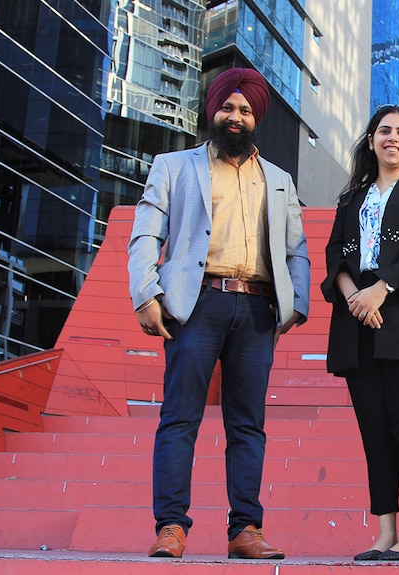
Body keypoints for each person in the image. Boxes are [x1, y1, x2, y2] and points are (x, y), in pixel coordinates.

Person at [127, 67, 310, 560]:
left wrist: (298, 304)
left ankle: (245, 530)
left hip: (256, 308)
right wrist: (145, 293)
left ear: (257, 118)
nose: (235, 116)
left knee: (247, 424)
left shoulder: (279, 180)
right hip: (195, 304)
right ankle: (170, 527)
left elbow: (297, 247)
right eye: (227, 108)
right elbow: (146, 233)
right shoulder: (173, 165)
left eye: (245, 110)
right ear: (213, 111)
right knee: (179, 418)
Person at [321, 105, 399, 562]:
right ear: (371, 140)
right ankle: (384, 533)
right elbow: (334, 251)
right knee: (374, 432)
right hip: (356, 324)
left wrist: (381, 289)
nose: (393, 138)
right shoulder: (350, 198)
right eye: (384, 131)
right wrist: (356, 296)